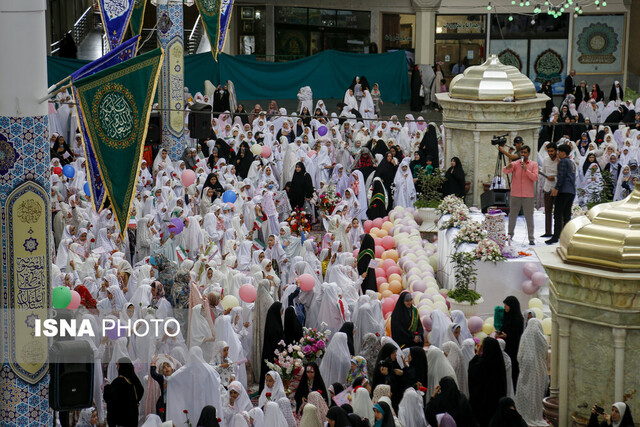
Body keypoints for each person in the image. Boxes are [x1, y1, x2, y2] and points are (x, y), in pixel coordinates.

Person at [514, 319, 549, 426]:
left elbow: (519, 356)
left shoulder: (525, 337)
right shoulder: (543, 339)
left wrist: (523, 366)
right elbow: (546, 356)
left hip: (526, 371)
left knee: (526, 394)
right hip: (539, 372)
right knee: (536, 394)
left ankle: (523, 415)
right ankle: (535, 415)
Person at [503, 145, 539, 245]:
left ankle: (531, 238)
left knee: (529, 216)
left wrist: (526, 169)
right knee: (512, 215)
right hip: (515, 193)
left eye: (525, 152)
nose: (523, 154)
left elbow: (535, 177)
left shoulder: (533, 164)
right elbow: (505, 171)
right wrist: (507, 167)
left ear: (529, 153)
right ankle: (510, 235)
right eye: (522, 152)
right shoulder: (515, 163)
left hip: (528, 195)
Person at [468, 337, 507, 427]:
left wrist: (477, 354)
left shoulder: (483, 364)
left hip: (483, 405)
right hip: (495, 404)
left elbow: (472, 369)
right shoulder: (499, 362)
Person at [546, 144, 576, 244]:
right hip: (571, 191)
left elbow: (561, 176)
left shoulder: (563, 162)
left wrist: (556, 188)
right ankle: (567, 236)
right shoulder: (571, 162)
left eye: (559, 152)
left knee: (558, 214)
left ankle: (556, 236)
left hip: (563, 191)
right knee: (567, 215)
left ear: (563, 152)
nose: (558, 154)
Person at [103, 357, 144, 427]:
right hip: (132, 416)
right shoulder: (133, 380)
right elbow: (140, 391)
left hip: (121, 419)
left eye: (118, 366)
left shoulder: (119, 381)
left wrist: (107, 387)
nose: (116, 368)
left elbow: (109, 397)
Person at [495, 296, 523, 390]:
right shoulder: (506, 317)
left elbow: (519, 337)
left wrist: (507, 336)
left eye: (507, 305)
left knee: (513, 373)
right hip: (505, 348)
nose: (505, 307)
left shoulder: (519, 320)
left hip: (514, 350)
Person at [260, 302, 284, 389]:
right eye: (281, 311)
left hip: (270, 352)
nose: (282, 313)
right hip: (272, 354)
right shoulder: (274, 325)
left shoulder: (273, 321)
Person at [541, 142, 558, 237]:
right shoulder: (546, 160)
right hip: (547, 188)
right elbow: (543, 172)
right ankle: (548, 232)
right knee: (547, 211)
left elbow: (562, 175)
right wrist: (546, 177)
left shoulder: (560, 161)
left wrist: (554, 178)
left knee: (557, 212)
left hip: (557, 189)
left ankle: (558, 232)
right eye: (548, 151)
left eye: (552, 151)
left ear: (556, 151)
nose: (550, 153)